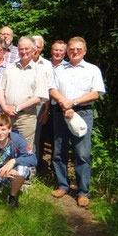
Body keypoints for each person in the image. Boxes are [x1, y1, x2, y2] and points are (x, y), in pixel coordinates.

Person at [49, 37, 106, 207]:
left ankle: (82, 191)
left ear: (84, 51)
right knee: (59, 151)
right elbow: (52, 89)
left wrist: (72, 102)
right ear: (67, 51)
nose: (74, 52)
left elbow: (96, 93)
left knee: (82, 153)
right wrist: (64, 104)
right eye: (72, 49)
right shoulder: (59, 69)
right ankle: (63, 185)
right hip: (60, 112)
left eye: (78, 49)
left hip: (83, 113)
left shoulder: (92, 69)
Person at [0, 36, 48, 149]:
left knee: (24, 148)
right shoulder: (10, 67)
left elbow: (38, 97)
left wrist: (17, 108)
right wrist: (4, 107)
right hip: (6, 115)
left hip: (26, 117)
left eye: (26, 49)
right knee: (4, 147)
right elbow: (0, 89)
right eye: (21, 49)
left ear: (34, 50)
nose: (23, 52)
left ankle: (23, 167)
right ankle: (5, 167)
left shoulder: (39, 70)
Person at [0, 113, 37, 207]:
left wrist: (14, 161)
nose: (0, 133)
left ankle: (12, 196)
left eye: (3, 129)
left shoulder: (17, 139)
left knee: (23, 170)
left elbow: (33, 159)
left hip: (13, 172)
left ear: (9, 129)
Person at [37, 40, 67, 169]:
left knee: (57, 139)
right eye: (56, 50)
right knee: (40, 136)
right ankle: (38, 165)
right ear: (51, 50)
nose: (58, 53)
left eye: (61, 50)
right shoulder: (43, 64)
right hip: (41, 104)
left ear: (65, 53)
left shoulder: (68, 67)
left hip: (59, 106)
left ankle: (56, 170)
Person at [32, 35, 54, 169]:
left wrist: (46, 110)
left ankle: (33, 168)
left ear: (42, 49)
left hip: (39, 105)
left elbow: (48, 88)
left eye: (38, 47)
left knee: (36, 138)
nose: (35, 49)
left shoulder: (46, 64)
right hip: (21, 103)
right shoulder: (19, 61)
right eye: (33, 46)